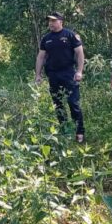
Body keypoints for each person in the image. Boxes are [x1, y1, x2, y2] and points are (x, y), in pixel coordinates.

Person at [35, 12, 86, 143]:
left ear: (60, 21)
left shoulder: (70, 35)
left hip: (69, 73)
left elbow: (80, 54)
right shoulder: (46, 38)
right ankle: (65, 132)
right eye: (49, 21)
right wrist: (38, 75)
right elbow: (41, 57)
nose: (51, 23)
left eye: (53, 21)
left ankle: (79, 132)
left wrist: (79, 71)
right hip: (53, 75)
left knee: (73, 102)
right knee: (58, 104)